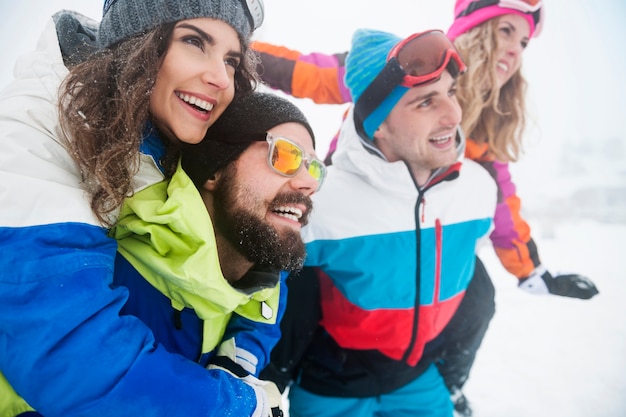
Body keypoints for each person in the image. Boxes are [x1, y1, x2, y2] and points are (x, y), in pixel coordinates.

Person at [252, 1, 599, 414]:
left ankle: (449, 385)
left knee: (477, 294)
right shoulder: (401, 65)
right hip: (357, 212)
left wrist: (531, 269)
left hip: (426, 222)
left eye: (523, 41)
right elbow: (306, 72)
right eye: (506, 32)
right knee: (306, 293)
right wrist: (236, 53)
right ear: (476, 29)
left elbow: (501, 198)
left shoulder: (487, 117)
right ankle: (274, 380)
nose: (515, 50)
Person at [0, 0, 274, 415]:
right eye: (194, 41)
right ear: (137, 44)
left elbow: (265, 246)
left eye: (232, 60)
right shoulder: (34, 132)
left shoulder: (176, 131)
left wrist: (238, 358)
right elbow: (69, 351)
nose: (221, 77)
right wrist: (233, 405)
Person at [264, 27, 497, 417]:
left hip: (416, 377)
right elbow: (270, 294)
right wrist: (269, 380)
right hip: (329, 382)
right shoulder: (320, 199)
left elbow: (467, 282)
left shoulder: (477, 189)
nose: (453, 115)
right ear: (379, 124)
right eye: (425, 103)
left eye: (451, 93)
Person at [109, 91, 325, 417]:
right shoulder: (110, 266)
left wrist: (235, 366)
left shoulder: (260, 262)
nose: (308, 182)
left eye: (314, 167)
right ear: (215, 169)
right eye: (285, 155)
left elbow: (261, 312)